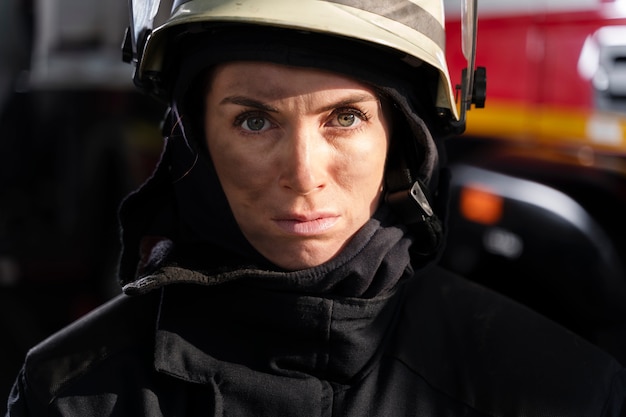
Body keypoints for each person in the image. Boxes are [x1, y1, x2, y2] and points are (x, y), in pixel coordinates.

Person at [5, 0, 626, 415]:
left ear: (404, 138)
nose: (303, 176)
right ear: (192, 136)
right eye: (254, 121)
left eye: (346, 117)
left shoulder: (558, 391)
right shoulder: (71, 393)